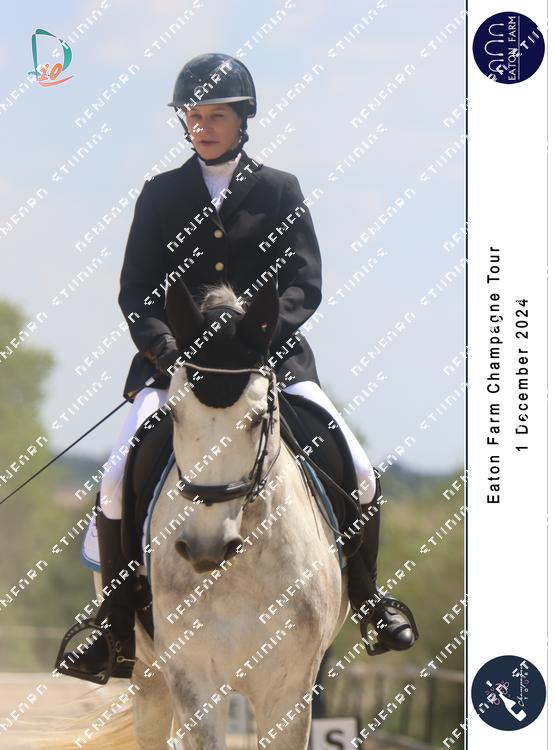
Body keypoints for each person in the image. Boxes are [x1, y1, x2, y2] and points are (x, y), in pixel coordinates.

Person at [56, 53, 417, 683]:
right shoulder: (161, 194)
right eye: (193, 116)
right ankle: (112, 630)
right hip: (176, 368)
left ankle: (368, 601)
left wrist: (258, 341)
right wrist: (165, 348)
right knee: (114, 479)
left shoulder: (279, 190)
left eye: (215, 115)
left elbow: (304, 282)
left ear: (242, 119)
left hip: (271, 362)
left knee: (359, 470)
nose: (202, 126)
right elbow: (137, 289)